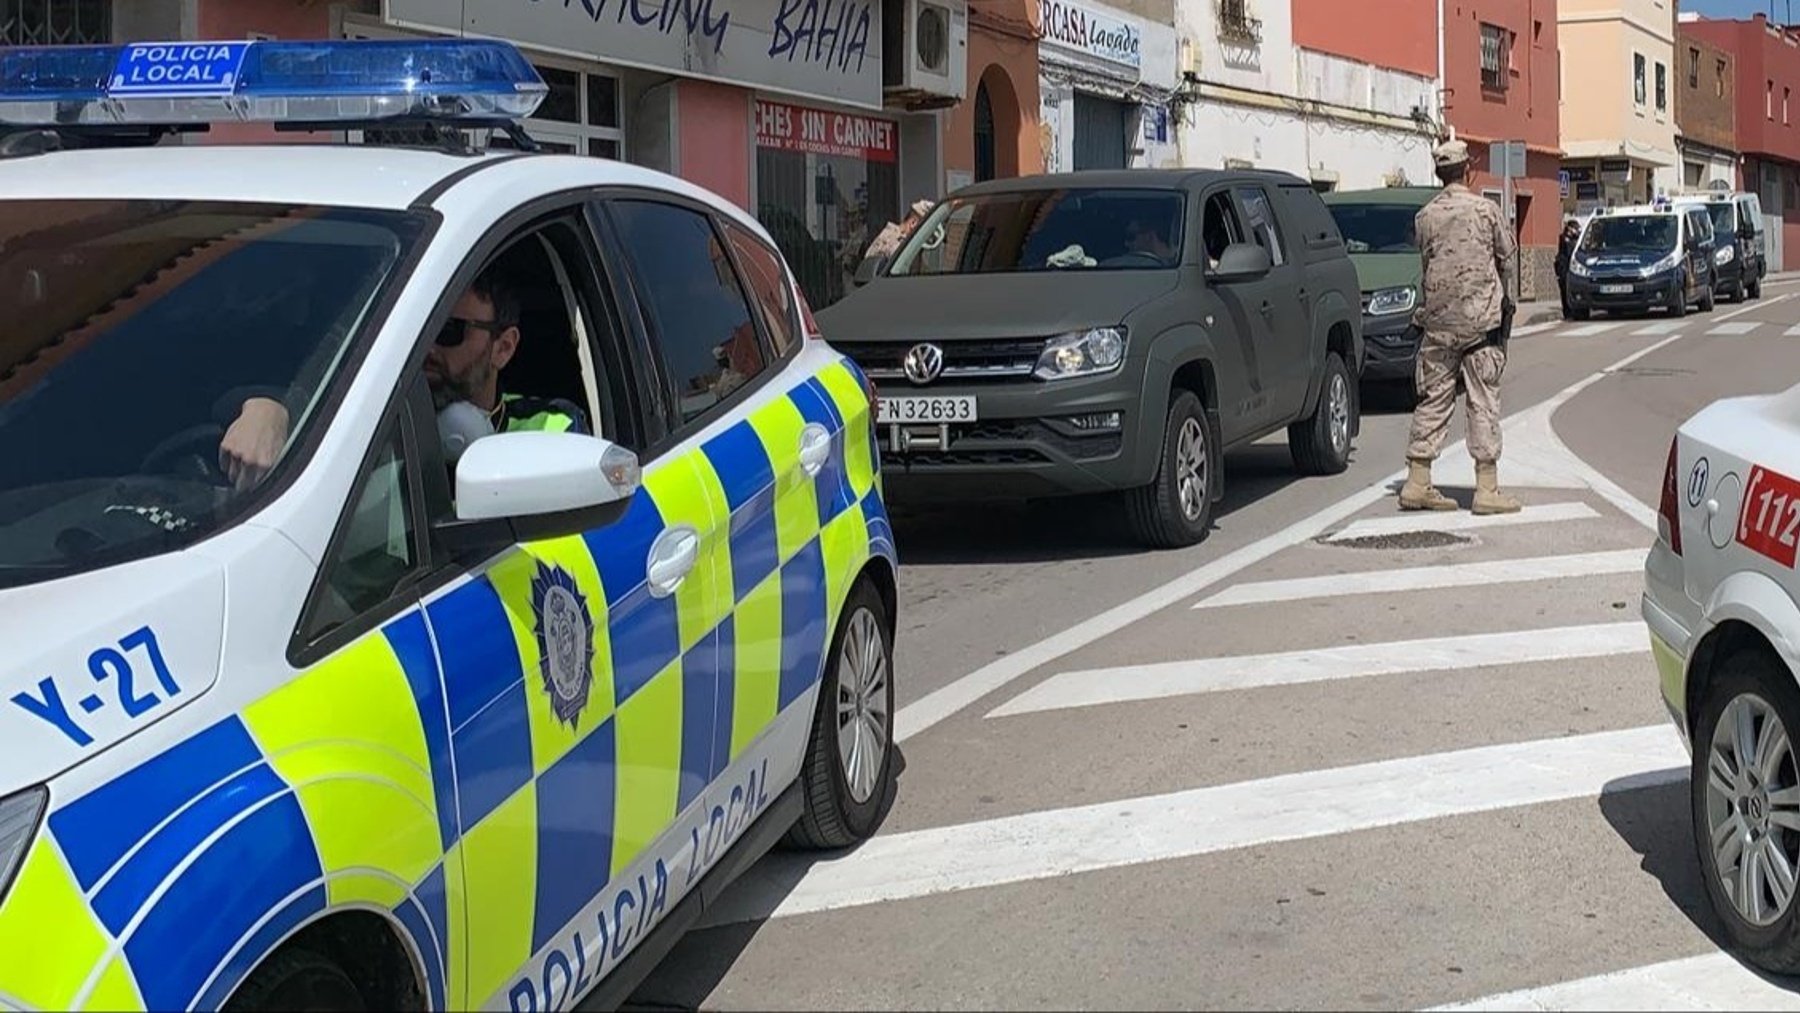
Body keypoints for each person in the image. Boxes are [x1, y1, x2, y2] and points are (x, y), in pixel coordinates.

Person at [218, 271, 587, 490]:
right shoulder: (373, 419)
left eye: (448, 330)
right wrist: (267, 406)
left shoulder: (549, 431)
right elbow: (321, 400)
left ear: (503, 347)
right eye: (416, 331)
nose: (426, 348)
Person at [1397, 138, 1521, 516]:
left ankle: (1417, 481)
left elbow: (1427, 265)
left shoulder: (1425, 217)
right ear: (1468, 169)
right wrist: (1505, 304)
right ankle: (1486, 489)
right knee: (1482, 400)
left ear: (1438, 174)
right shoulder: (1485, 211)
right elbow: (1508, 258)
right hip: (1480, 323)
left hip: (1438, 324)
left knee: (1433, 399)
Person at [1554, 218, 1581, 317]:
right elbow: (1568, 251)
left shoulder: (1576, 239)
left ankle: (1573, 309)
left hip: (1573, 267)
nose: (1576, 230)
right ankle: (1567, 311)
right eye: (1574, 228)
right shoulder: (1564, 238)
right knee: (1564, 289)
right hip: (1564, 268)